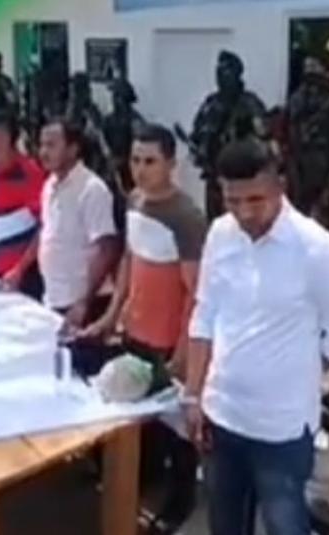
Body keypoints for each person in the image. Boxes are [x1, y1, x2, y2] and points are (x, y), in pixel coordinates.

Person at [185, 139, 329, 535]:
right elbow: (205, 314)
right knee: (225, 525)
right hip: (221, 415)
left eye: (256, 199)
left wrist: (302, 367)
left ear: (280, 186)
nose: (245, 213)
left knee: (285, 526)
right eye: (233, 201)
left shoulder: (317, 250)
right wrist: (193, 395)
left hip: (281, 430)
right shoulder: (220, 234)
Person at [79, 124, 204, 534]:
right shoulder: (133, 201)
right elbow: (129, 263)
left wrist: (183, 352)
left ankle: (180, 502)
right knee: (138, 421)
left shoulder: (187, 218)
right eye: (135, 160)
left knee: (176, 430)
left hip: (169, 343)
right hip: (135, 333)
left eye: (150, 161)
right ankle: (137, 486)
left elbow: (196, 294)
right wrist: (110, 317)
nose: (141, 169)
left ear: (171, 164)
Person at [35, 118, 120, 348]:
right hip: (53, 298)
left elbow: (106, 249)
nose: (43, 152)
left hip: (84, 304)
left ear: (73, 149)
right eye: (42, 145)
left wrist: (83, 302)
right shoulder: (49, 185)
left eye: (51, 145)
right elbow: (47, 232)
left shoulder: (92, 190)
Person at [284, 49, 329, 234]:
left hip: (323, 199)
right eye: (306, 68)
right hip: (294, 193)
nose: (309, 74)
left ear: (328, 73)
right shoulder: (294, 108)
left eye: (314, 68)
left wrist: (327, 196)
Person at [189, 51, 267, 221]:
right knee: (215, 223)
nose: (221, 78)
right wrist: (198, 151)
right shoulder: (211, 103)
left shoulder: (249, 103)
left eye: (226, 72)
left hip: (240, 177)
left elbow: (264, 138)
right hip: (213, 176)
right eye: (219, 73)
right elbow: (198, 133)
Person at [0, 111, 48, 299]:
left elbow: (45, 226)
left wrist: (20, 269)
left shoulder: (28, 173)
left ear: (4, 139)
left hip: (24, 276)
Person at [103, 78, 145, 195]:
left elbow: (141, 149)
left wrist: (122, 160)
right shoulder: (109, 120)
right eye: (114, 96)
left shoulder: (135, 121)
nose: (113, 99)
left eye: (116, 96)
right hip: (114, 172)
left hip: (131, 172)